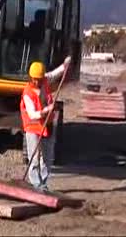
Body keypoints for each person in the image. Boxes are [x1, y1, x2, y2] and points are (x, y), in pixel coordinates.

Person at [20, 56, 71, 191]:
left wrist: (65, 65)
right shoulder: (27, 93)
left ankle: (43, 183)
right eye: (35, 79)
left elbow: (55, 74)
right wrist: (46, 110)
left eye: (40, 78)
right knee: (34, 158)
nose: (37, 81)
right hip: (33, 126)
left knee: (48, 157)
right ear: (31, 77)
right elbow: (32, 114)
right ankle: (36, 184)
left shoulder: (45, 80)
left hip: (47, 125)